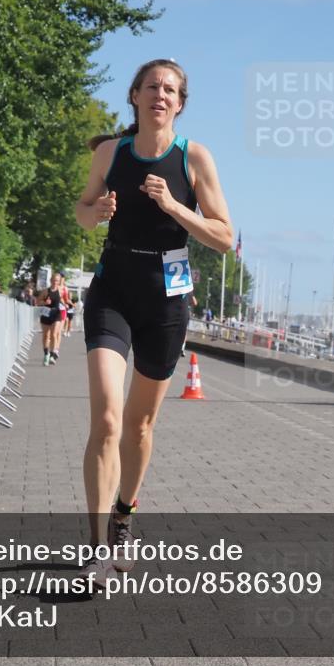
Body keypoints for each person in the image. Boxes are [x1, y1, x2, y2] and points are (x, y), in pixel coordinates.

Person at [75, 59, 232, 581]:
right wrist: (94, 215)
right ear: (135, 96)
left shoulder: (194, 159)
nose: (160, 95)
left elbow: (226, 237)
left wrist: (175, 207)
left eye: (169, 89)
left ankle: (125, 514)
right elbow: (82, 207)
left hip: (166, 301)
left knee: (140, 425)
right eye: (151, 87)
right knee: (107, 419)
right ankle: (97, 545)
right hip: (112, 290)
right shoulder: (110, 153)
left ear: (180, 103)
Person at [38, 273, 66, 365]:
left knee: (54, 334)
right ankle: (46, 354)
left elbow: (61, 299)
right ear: (50, 280)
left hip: (56, 314)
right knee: (46, 335)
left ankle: (53, 354)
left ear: (59, 282)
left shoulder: (61, 290)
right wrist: (45, 302)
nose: (55, 282)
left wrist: (64, 304)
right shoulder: (46, 291)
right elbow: (38, 301)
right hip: (46, 314)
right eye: (54, 280)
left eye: (57, 280)